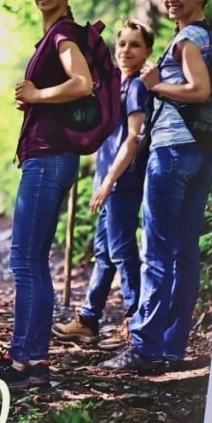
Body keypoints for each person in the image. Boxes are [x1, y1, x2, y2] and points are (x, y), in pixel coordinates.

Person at [0, 0, 97, 390]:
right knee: (31, 261)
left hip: (49, 158)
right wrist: (38, 101)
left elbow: (82, 83)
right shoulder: (53, 35)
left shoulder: (63, 34)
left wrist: (38, 95)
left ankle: (26, 363)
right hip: (47, 156)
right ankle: (27, 359)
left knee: (27, 261)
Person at [125, 0, 212, 370]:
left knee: (158, 250)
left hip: (172, 151)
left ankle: (144, 347)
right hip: (202, 151)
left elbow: (200, 90)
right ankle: (171, 347)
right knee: (185, 251)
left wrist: (154, 85)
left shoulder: (187, 40)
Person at [59, 18, 153, 348]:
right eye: (122, 43)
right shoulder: (116, 86)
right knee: (104, 252)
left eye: (135, 45)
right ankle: (88, 321)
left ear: (147, 51)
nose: (126, 50)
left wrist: (110, 181)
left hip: (121, 182)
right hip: (107, 180)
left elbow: (134, 138)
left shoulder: (137, 87)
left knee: (122, 251)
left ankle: (135, 321)